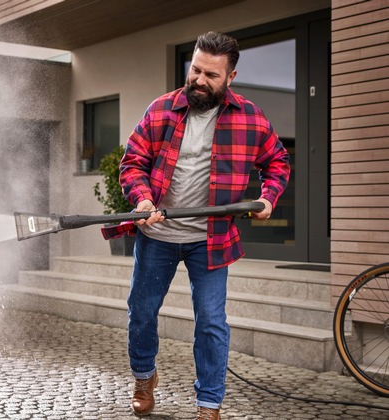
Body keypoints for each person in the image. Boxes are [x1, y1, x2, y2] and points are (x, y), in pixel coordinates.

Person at [105, 31, 290, 419]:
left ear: (231, 78)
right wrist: (142, 200)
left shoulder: (250, 118)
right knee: (141, 313)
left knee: (210, 322)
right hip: (158, 235)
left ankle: (209, 404)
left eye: (211, 75)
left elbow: (277, 162)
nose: (200, 80)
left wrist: (268, 198)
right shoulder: (161, 109)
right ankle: (144, 376)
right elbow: (133, 162)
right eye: (196, 70)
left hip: (212, 239)